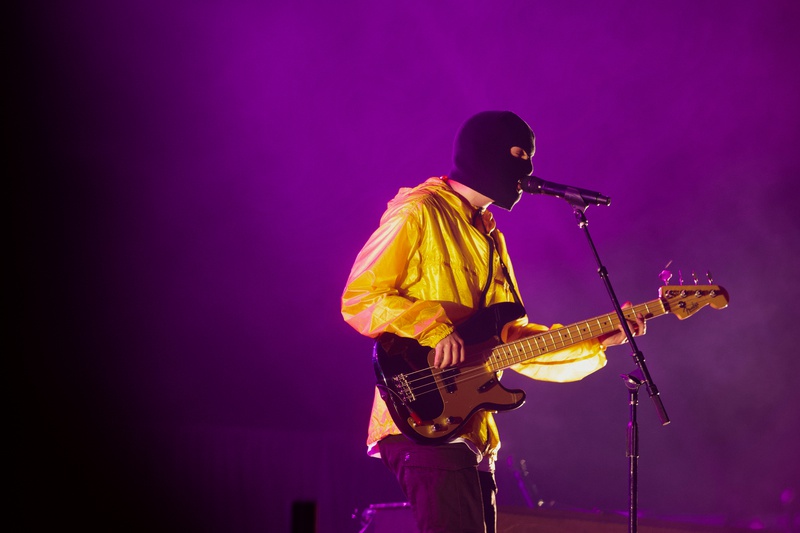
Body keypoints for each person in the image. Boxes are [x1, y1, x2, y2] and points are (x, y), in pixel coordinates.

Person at [341, 111, 644, 533]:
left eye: (531, 157)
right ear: (483, 153)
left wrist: (597, 342)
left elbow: (512, 341)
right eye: (519, 154)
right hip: (420, 411)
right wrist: (434, 328)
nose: (528, 170)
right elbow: (361, 296)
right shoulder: (419, 212)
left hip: (474, 427)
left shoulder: (491, 237)